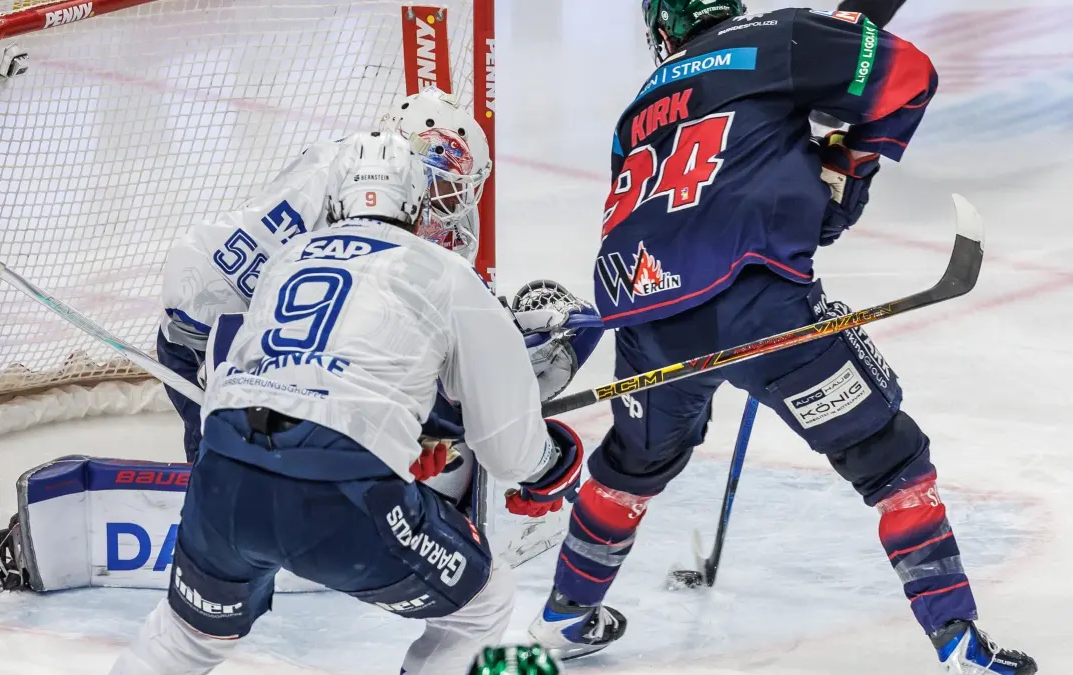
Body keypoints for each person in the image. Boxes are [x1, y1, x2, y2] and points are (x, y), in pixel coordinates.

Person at [526, 2, 1038, 673]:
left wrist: (801, 179)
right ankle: (958, 642)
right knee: (889, 458)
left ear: (662, 31)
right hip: (759, 305)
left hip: (644, 314)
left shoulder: (638, 106)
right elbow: (909, 73)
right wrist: (847, 165)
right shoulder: (782, 34)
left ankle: (564, 614)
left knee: (632, 465)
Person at [109, 132, 590, 675]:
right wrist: (553, 463)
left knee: (182, 639)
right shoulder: (447, 273)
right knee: (483, 604)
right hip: (342, 497)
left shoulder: (284, 259)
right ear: (417, 204)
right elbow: (508, 449)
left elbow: (253, 381)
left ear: (336, 201)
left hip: (223, 476)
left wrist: (391, 442)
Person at [157, 87, 492, 462]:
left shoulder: (423, 209)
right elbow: (226, 300)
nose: (450, 201)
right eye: (440, 182)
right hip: (211, 333)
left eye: (457, 186)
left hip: (276, 334)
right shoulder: (326, 184)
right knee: (242, 464)